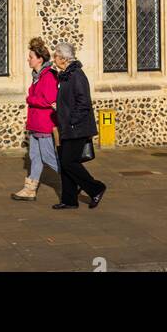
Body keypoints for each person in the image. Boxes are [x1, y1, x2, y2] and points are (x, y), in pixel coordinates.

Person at [51, 39, 106, 210]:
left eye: (56, 56)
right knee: (65, 163)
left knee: (69, 162)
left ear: (64, 58)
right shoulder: (66, 75)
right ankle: (69, 200)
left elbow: (84, 103)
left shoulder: (77, 75)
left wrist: (72, 121)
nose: (54, 60)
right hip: (68, 127)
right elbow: (69, 101)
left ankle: (96, 188)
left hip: (77, 128)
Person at [11, 37, 60, 202]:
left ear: (40, 59)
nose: (28, 59)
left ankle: (73, 180)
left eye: (31, 56)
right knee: (34, 157)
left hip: (44, 125)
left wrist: (30, 99)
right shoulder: (37, 76)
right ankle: (29, 189)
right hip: (35, 124)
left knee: (49, 157)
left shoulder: (48, 76)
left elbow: (50, 100)